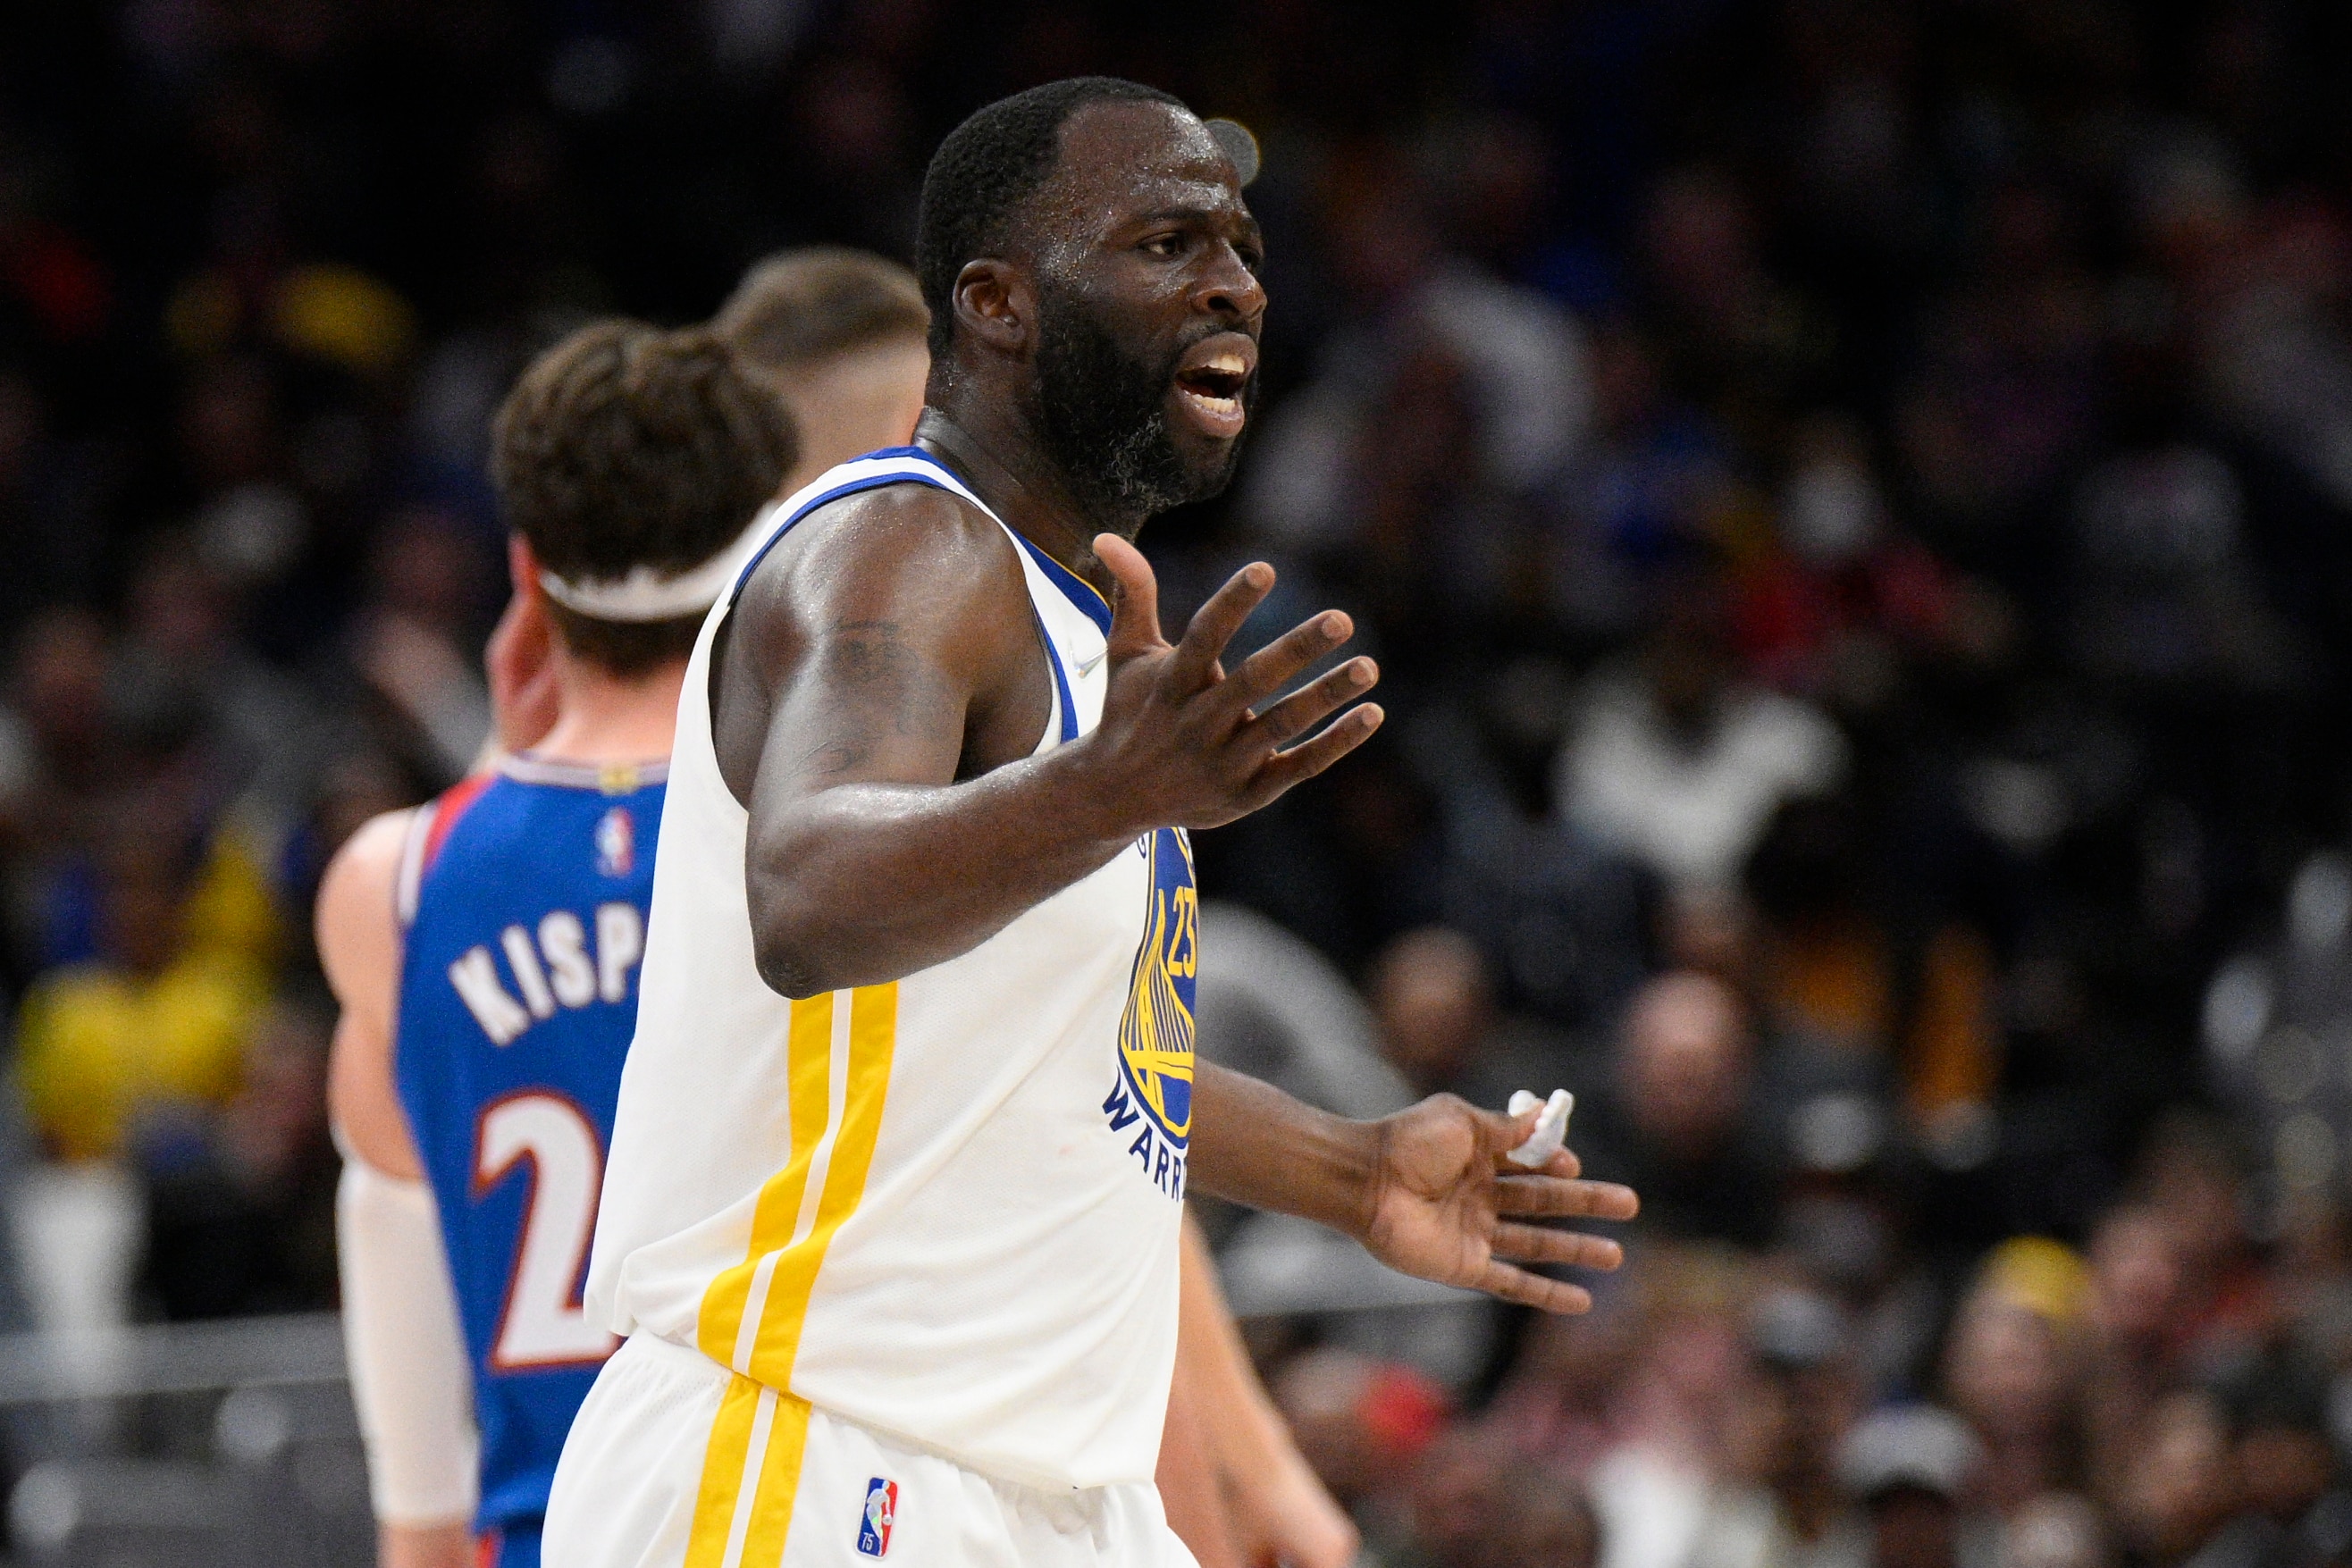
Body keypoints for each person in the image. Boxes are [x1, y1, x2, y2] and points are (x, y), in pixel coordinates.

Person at [550, 75, 1637, 1568]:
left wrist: (1355, 1169)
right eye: (1169, 243)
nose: (1237, 282)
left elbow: (1066, 1064)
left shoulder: (1064, 627)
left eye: (1244, 244)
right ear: (998, 303)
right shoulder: (900, 546)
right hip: (813, 1451)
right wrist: (1110, 791)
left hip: (1047, 1497)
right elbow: (804, 899)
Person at [716, 246, 1363, 1568]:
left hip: (951, 1440)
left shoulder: (998, 665)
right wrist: (1237, 1471)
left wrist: (1361, 1176)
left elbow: (1099, 1104)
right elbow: (1069, 1140)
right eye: (904, 452)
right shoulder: (844, 646)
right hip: (831, 1432)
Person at [319, 321, 795, 1568]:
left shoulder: (396, 883)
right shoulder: (852, 852)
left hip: (551, 1534)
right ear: (766, 551)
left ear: (525, 572)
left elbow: (398, 1228)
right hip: (803, 1523)